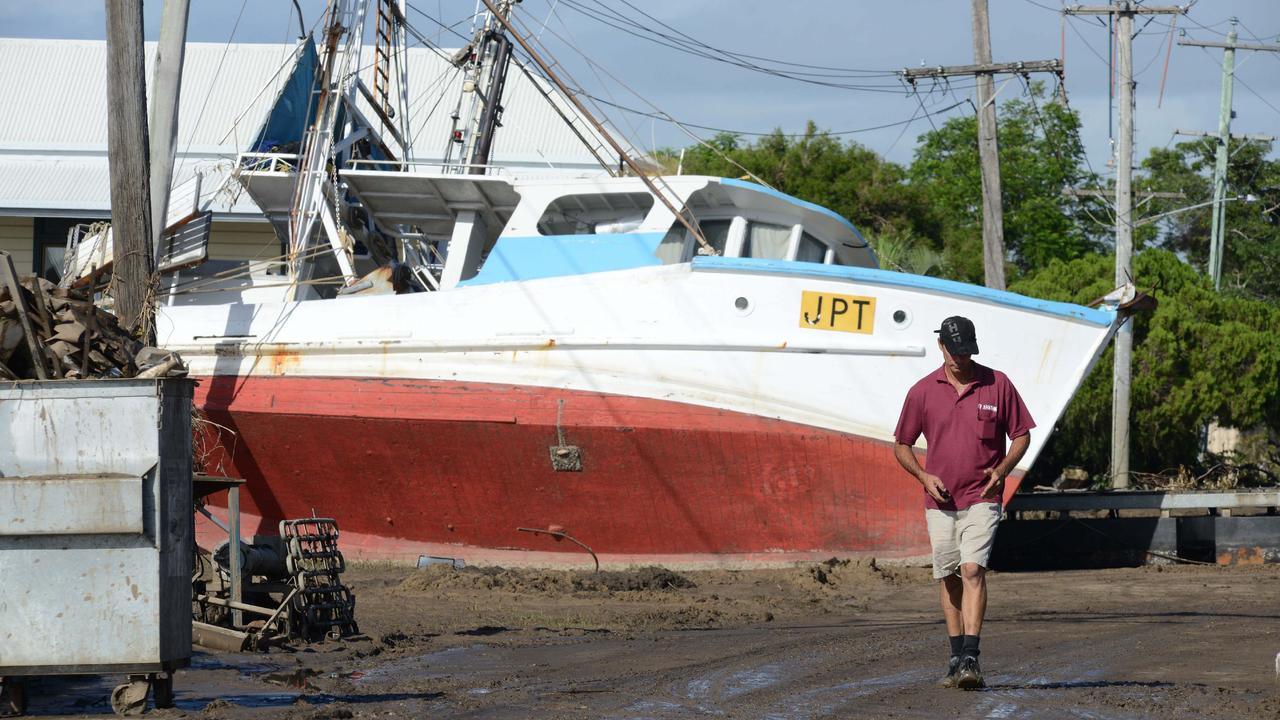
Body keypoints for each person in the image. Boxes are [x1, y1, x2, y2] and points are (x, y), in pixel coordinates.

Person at [892, 316, 1034, 690]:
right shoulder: (922, 391)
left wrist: (1002, 470)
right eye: (955, 351)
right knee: (949, 575)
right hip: (939, 501)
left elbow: (1021, 437)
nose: (961, 358)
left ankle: (972, 656)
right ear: (941, 346)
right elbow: (901, 444)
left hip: (982, 497)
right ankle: (955, 658)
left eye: (967, 351)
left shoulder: (997, 384)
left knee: (972, 570)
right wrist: (923, 476)